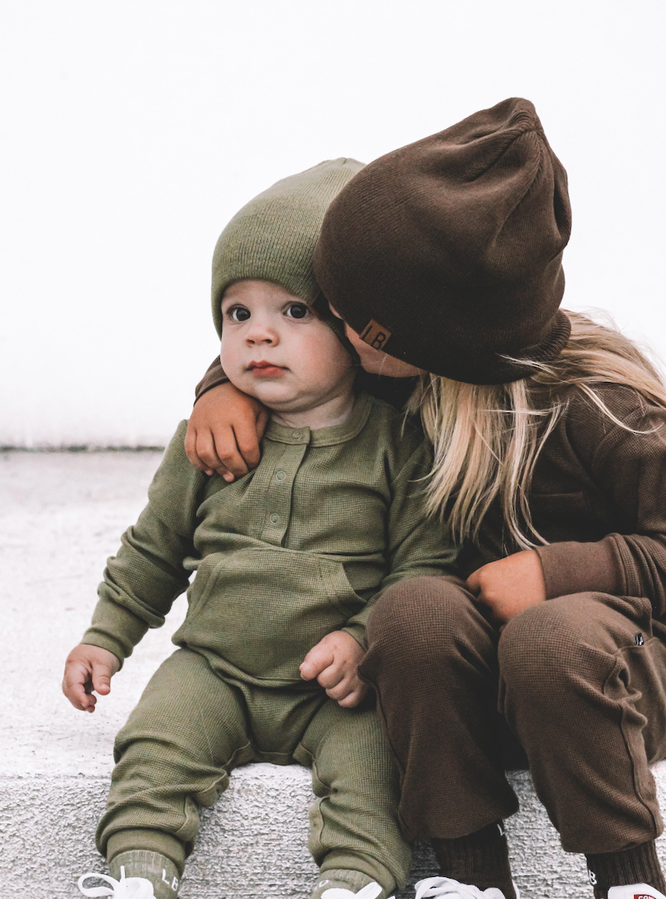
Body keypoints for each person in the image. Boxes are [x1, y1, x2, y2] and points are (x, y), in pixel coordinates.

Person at [184, 98, 666, 899]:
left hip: (614, 673)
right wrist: (219, 388)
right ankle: (470, 874)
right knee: (410, 610)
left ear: (432, 338)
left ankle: (628, 878)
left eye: (351, 318)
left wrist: (559, 572)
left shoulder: (603, 408)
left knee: (552, 634)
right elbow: (296, 346)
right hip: (481, 680)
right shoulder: (409, 374)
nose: (334, 325)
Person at [63, 158, 458, 899]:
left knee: (375, 763)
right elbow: (155, 547)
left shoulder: (396, 444)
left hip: (337, 684)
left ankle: (356, 878)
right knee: (155, 739)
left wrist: (362, 637)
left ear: (353, 329)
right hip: (217, 666)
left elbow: (422, 568)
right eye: (237, 314)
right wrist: (105, 635)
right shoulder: (208, 440)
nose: (259, 336)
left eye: (294, 312)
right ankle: (137, 873)